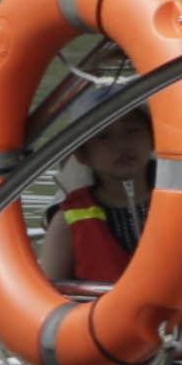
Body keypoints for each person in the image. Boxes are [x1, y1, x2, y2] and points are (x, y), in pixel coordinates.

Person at [36, 104, 157, 294]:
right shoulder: (66, 222)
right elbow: (46, 297)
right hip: (101, 322)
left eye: (132, 130)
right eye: (103, 136)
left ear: (154, 138)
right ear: (82, 154)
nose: (121, 144)